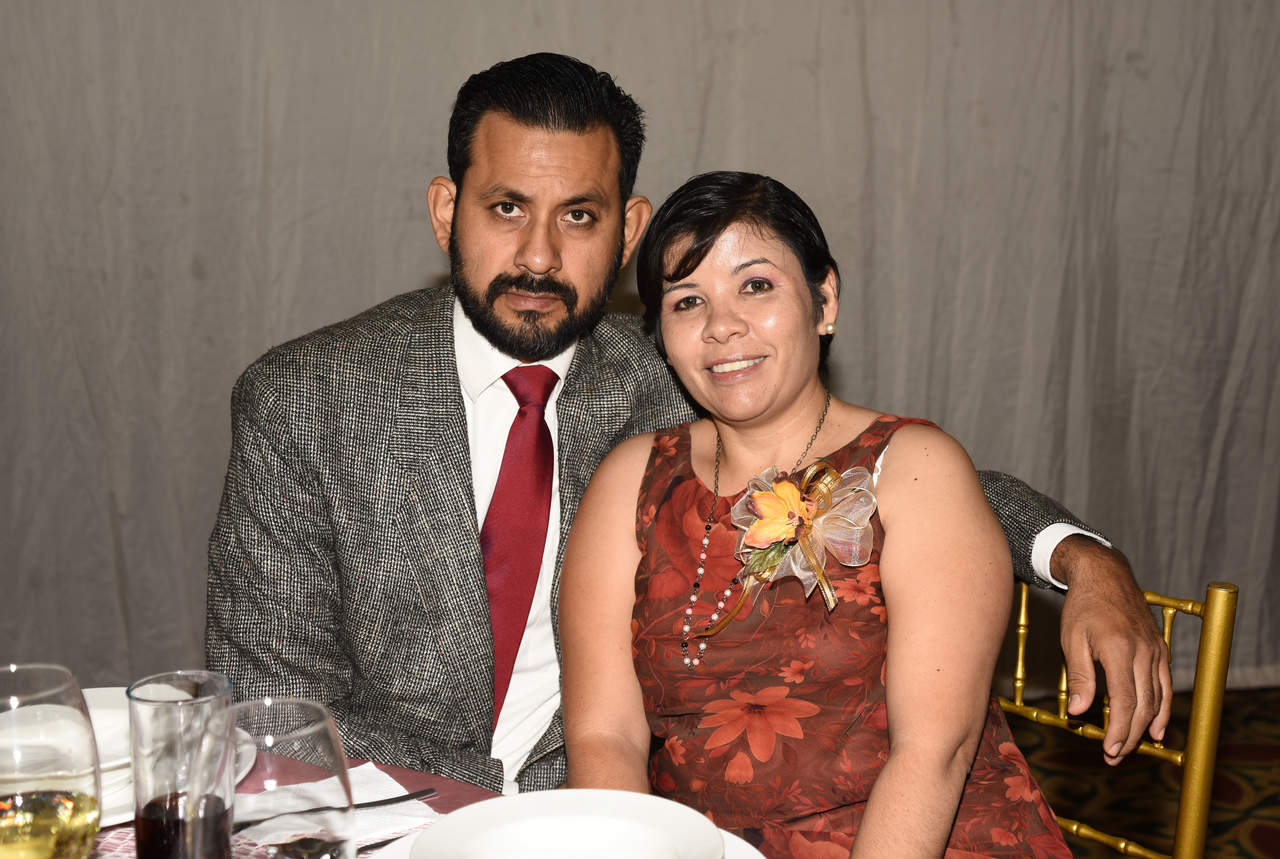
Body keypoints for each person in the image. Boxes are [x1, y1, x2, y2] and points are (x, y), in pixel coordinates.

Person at [206, 52, 1168, 796]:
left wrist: (1084, 557)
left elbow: (902, 478)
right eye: (506, 208)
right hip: (383, 812)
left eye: (578, 217)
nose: (538, 255)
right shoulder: (305, 398)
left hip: (620, 814)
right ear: (446, 210)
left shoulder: (681, 374)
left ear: (628, 232)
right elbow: (269, 701)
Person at [560, 171, 1074, 856]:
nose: (721, 326)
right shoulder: (631, 480)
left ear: (824, 300)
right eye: (688, 301)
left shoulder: (914, 469)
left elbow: (935, 751)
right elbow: (606, 736)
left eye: (756, 285)